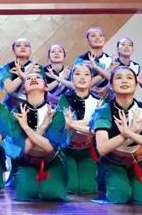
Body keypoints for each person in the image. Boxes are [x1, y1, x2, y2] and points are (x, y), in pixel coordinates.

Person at [91, 66, 142, 205]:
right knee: (120, 196)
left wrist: (131, 133)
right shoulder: (104, 111)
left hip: (140, 160)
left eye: (129, 78)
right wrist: (124, 135)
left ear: (136, 85)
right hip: (113, 162)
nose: (124, 81)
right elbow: (102, 148)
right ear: (111, 85)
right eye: (119, 78)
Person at [10, 72, 67, 201]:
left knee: (53, 196)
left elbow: (49, 147)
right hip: (26, 162)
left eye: (38, 78)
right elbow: (22, 149)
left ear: (46, 87)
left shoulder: (56, 113)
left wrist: (26, 128)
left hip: (52, 161)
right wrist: (43, 126)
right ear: (24, 89)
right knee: (26, 196)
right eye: (29, 78)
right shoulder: (15, 113)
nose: (33, 79)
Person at [52, 63, 101, 194]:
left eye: (86, 74)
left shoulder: (99, 101)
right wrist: (88, 121)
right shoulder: (64, 99)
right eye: (78, 74)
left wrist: (74, 124)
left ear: (91, 79)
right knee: (71, 187)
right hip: (67, 149)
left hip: (88, 149)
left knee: (88, 188)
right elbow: (64, 125)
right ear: (72, 78)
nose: (82, 77)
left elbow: (97, 126)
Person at [0, 38, 39, 108]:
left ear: (30, 50)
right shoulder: (6, 68)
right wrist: (28, 72)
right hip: (11, 107)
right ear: (13, 51)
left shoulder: (38, 68)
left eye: (26, 45)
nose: (23, 47)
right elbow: (9, 89)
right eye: (18, 46)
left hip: (33, 106)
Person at [74, 27, 113, 97]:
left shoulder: (110, 60)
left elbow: (114, 80)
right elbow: (81, 85)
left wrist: (106, 89)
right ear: (87, 41)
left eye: (100, 35)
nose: (97, 38)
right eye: (93, 36)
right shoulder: (80, 60)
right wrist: (107, 72)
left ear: (104, 39)